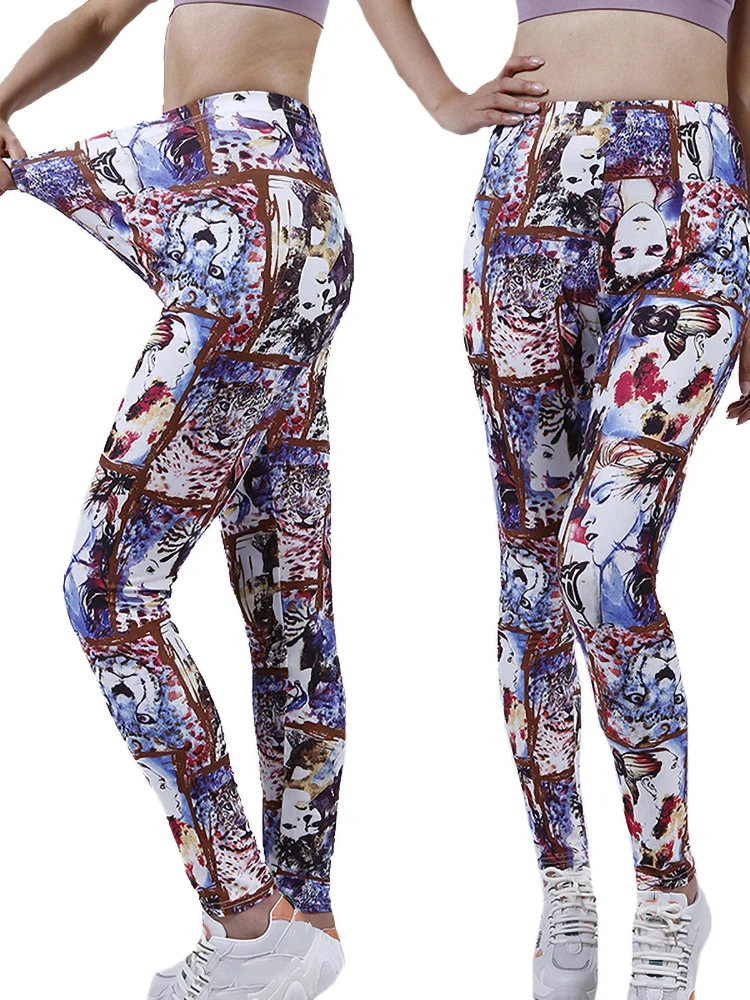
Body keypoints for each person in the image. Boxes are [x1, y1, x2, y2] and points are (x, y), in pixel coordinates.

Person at [357, 1, 750, 998]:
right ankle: (564, 879)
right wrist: (440, 96)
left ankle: (667, 889)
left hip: (698, 205)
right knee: (535, 572)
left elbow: (746, 80)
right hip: (531, 198)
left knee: (601, 562)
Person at [0, 3, 353, 998]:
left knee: (109, 593)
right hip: (303, 216)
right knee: (288, 603)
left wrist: (19, 147)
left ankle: (244, 923)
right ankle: (303, 917)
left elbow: (101, 22)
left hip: (233, 213)